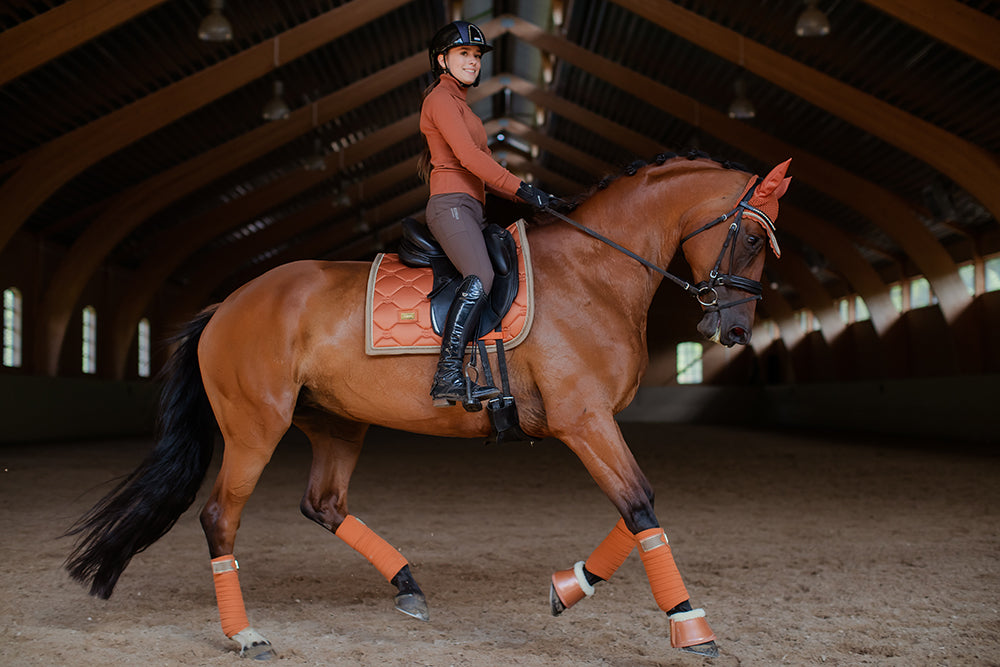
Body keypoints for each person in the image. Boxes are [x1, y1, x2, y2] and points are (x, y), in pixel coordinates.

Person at [418, 20, 556, 406]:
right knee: (480, 274)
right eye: (465, 54)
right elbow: (468, 157)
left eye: (477, 56)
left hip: (471, 208)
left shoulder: (465, 108)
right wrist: (521, 188)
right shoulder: (440, 100)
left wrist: (533, 196)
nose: (473, 62)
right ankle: (447, 374)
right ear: (442, 60)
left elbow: (489, 173)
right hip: (450, 205)